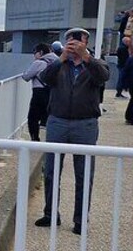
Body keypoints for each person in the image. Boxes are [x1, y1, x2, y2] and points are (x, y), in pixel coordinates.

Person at [35, 28, 109, 235]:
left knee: (84, 174)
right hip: (57, 121)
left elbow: (102, 77)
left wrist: (86, 57)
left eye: (78, 40)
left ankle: (80, 220)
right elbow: (44, 78)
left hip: (85, 124)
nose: (74, 43)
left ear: (86, 42)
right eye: (70, 39)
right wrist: (61, 58)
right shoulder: (59, 65)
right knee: (50, 171)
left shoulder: (96, 64)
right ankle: (50, 214)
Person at [21, 43, 57, 141]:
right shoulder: (57, 61)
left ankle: (35, 139)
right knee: (51, 117)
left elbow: (26, 77)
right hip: (53, 92)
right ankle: (51, 138)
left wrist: (25, 73)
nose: (34, 55)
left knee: (33, 118)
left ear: (41, 52)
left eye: (35, 52)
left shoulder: (39, 63)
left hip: (39, 92)